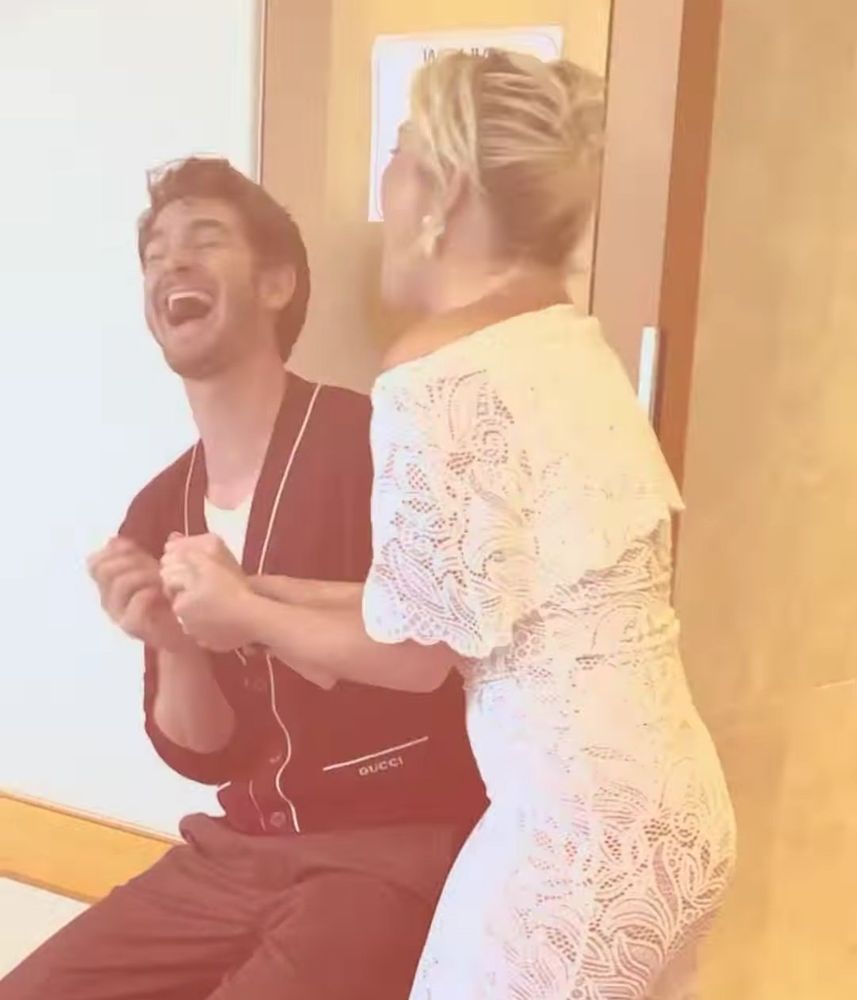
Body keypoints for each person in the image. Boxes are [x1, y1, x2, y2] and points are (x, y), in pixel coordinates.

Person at [160, 52, 738, 999]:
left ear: (448, 190)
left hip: (576, 839)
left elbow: (415, 657)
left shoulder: (439, 368)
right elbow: (459, 605)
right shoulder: (562, 339)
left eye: (397, 154)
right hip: (675, 813)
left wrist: (242, 616)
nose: (384, 185)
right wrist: (261, 587)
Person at [0, 157, 487, 1000]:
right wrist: (173, 645)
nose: (172, 264)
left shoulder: (375, 443)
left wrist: (248, 612)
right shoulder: (160, 506)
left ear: (275, 284)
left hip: (392, 843)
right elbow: (204, 753)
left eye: (204, 240)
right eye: (156, 253)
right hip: (240, 849)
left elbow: (430, 653)